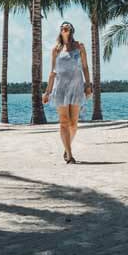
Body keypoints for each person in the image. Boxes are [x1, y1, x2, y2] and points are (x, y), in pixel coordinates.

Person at [43, 21, 92, 164]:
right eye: (62, 27)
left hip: (76, 87)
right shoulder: (56, 50)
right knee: (64, 122)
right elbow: (52, 72)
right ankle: (70, 155)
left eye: (67, 27)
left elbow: (85, 67)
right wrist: (47, 92)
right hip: (61, 88)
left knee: (74, 123)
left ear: (71, 30)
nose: (65, 28)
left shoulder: (79, 46)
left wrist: (88, 85)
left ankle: (66, 146)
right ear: (60, 31)